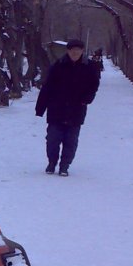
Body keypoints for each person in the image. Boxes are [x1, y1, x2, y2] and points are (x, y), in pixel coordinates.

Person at [35, 39, 100, 176]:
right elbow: (47, 87)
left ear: (82, 51)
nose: (75, 52)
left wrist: (87, 99)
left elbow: (94, 85)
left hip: (76, 110)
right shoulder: (58, 66)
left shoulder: (89, 67)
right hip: (56, 109)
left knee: (71, 141)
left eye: (78, 49)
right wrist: (40, 107)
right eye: (72, 49)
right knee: (52, 139)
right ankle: (52, 163)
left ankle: (64, 166)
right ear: (68, 51)